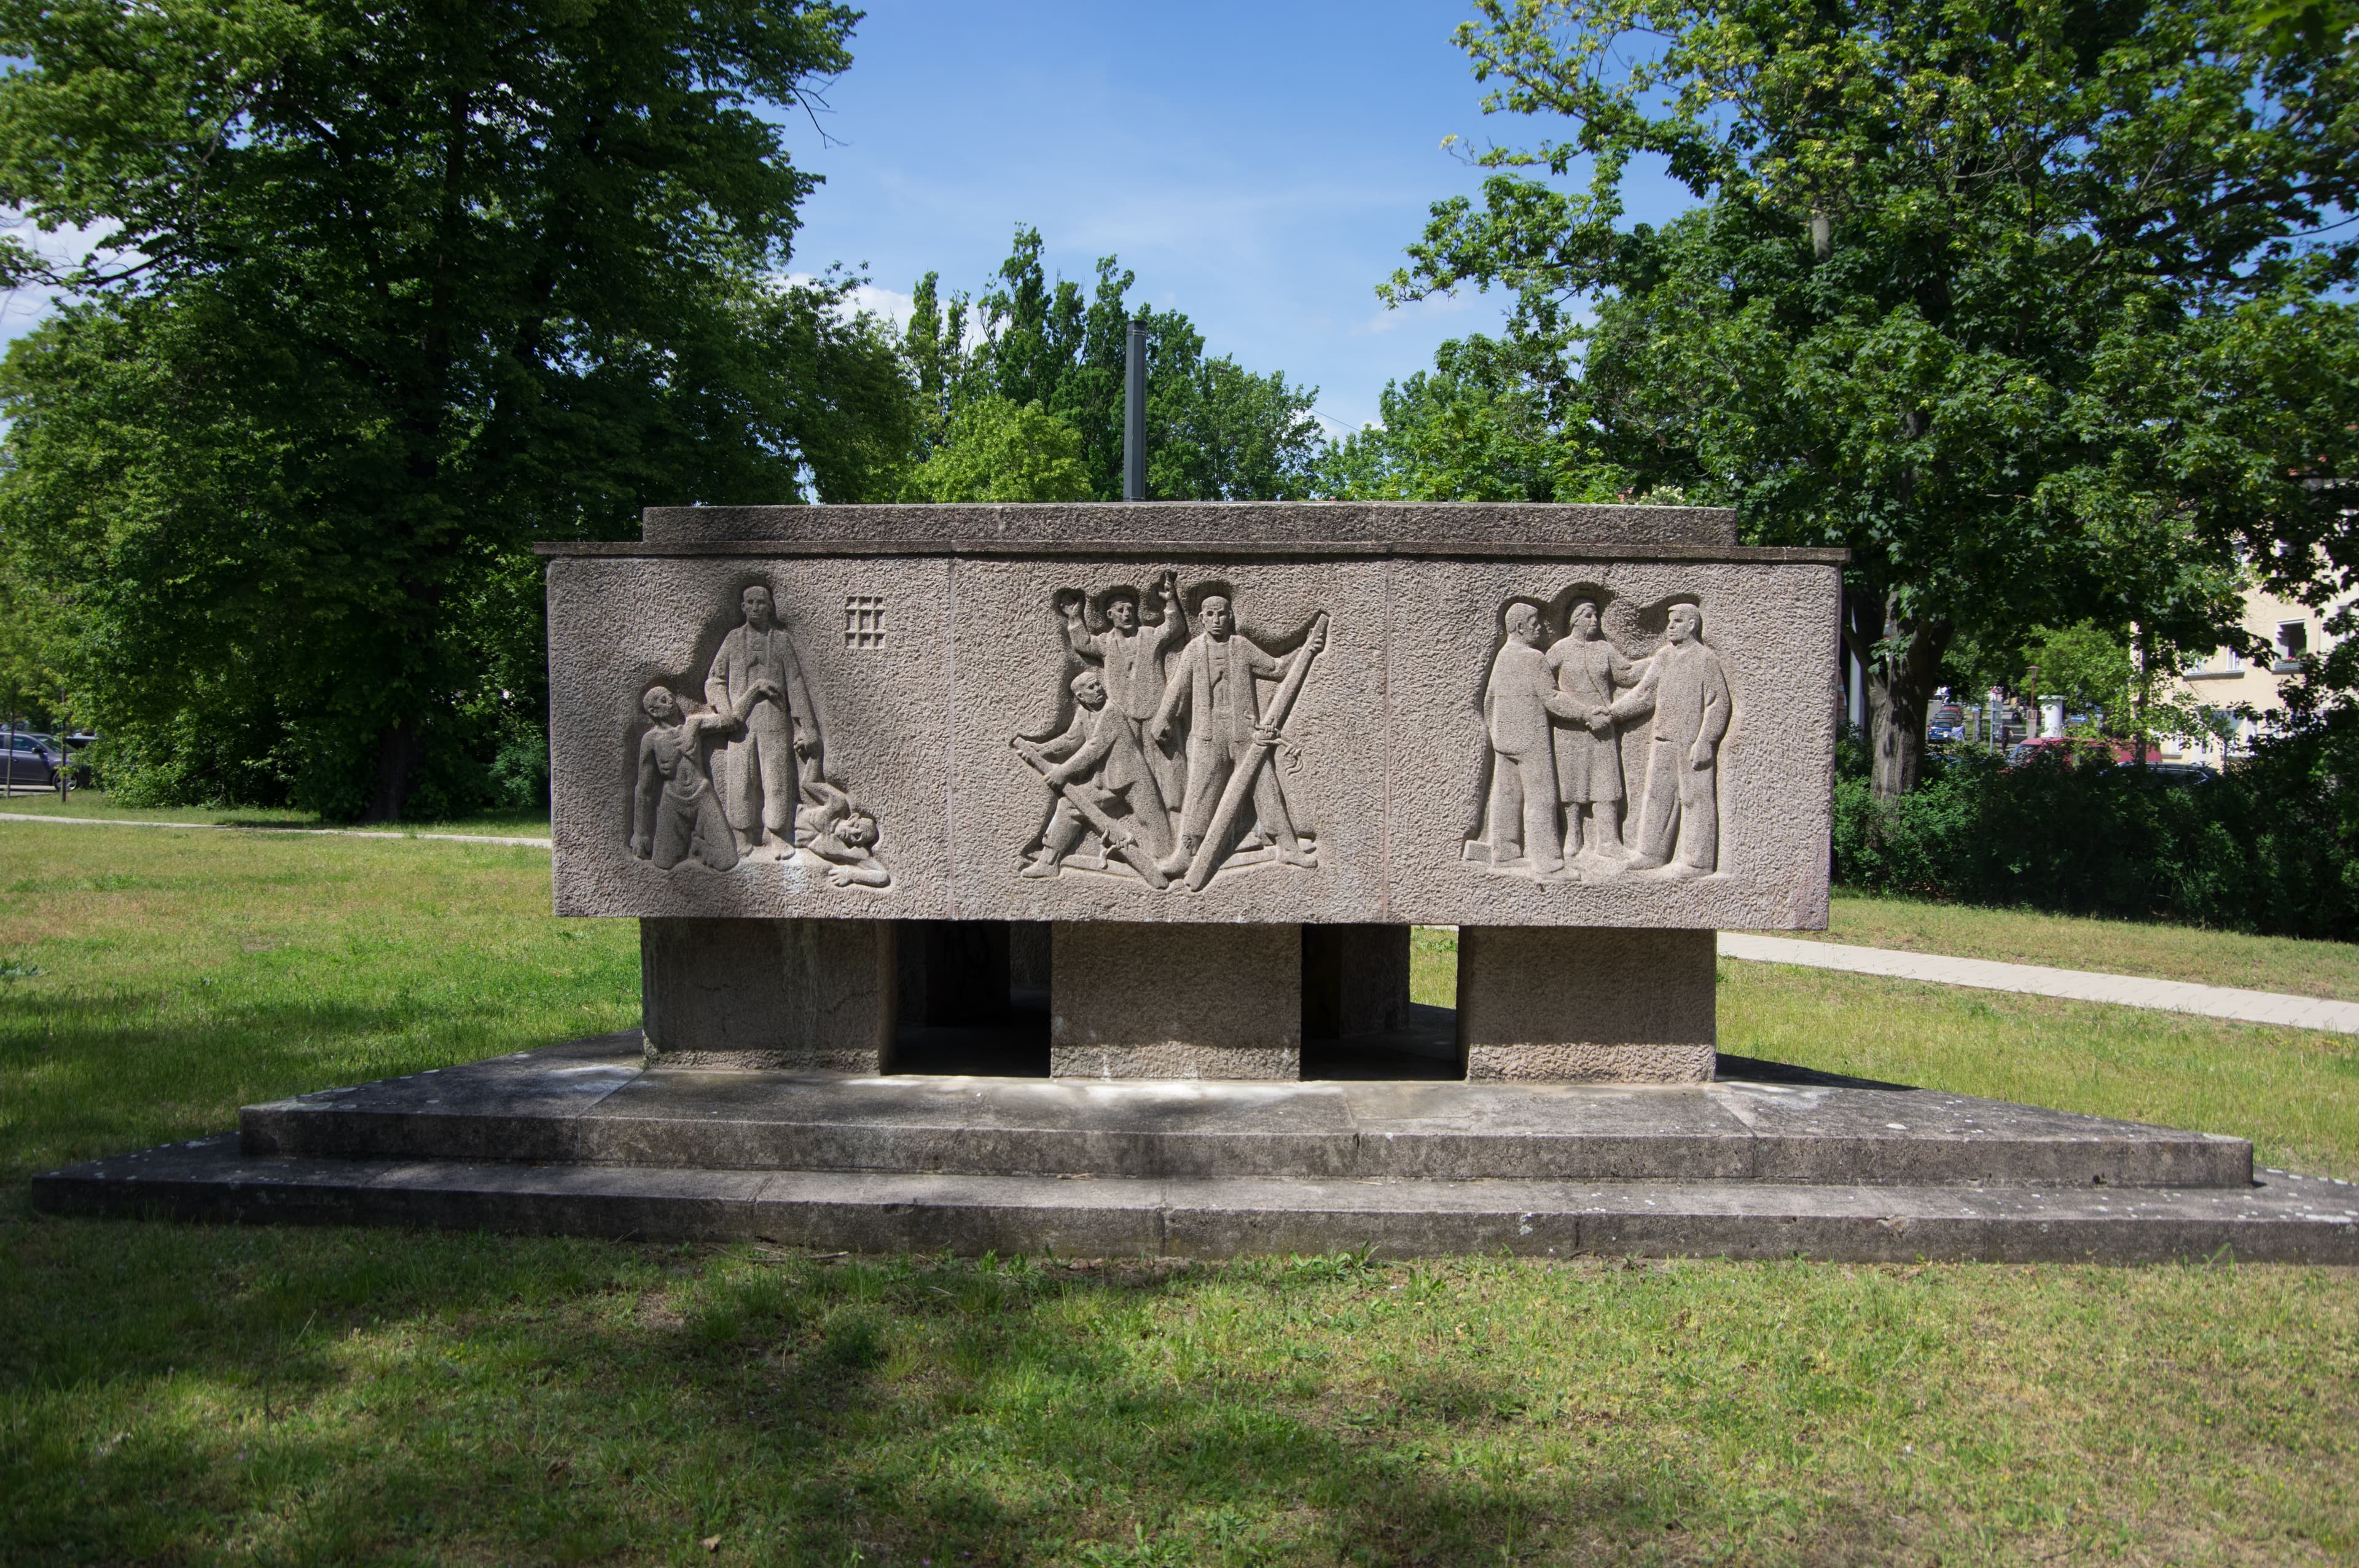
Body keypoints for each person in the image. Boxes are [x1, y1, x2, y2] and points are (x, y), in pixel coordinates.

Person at [1149, 593, 1321, 875]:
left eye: (1222, 613)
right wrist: (1162, 719)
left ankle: (1288, 848)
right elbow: (1178, 686)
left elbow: (1277, 669)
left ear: (1230, 617)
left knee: (1266, 787)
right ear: (1202, 619)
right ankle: (1185, 854)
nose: (1217, 619)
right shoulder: (1194, 650)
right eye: (1210, 614)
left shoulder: (1241, 646)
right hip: (1208, 735)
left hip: (1244, 733)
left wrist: (1306, 649)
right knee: (1199, 795)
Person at [1607, 602, 1731, 876]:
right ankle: (1651, 854)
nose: (1670, 627)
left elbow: (1718, 703)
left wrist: (1706, 740)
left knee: (1695, 798)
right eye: (1669, 621)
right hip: (1664, 740)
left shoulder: (1705, 659)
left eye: (1677, 621)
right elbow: (1644, 694)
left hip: (1692, 743)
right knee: (1658, 797)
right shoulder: (1664, 657)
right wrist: (1612, 713)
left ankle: (1697, 862)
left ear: (1692, 625)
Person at [1018, 668, 1175, 877]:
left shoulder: (1111, 712)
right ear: (1081, 697)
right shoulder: (1083, 713)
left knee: (1153, 821)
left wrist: (1063, 772)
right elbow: (1070, 741)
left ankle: (1168, 866)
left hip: (1132, 778)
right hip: (1106, 782)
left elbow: (1094, 748)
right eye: (1091, 687)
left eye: (1098, 684)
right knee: (1069, 806)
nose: (1099, 689)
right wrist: (1040, 749)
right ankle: (1048, 862)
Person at [703, 583, 820, 857]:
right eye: (751, 602)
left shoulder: (781, 641)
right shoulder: (733, 639)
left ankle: (779, 835)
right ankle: (742, 836)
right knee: (740, 779)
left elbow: (795, 683)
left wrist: (807, 727)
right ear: (743, 607)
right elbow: (714, 680)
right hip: (741, 726)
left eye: (761, 602)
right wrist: (727, 713)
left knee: (777, 779)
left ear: (770, 607)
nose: (756, 607)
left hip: (775, 722)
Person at [1060, 573, 1187, 808]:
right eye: (1120, 611)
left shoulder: (1149, 636)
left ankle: (1175, 806)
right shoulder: (1106, 643)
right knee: (1130, 763)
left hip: (1153, 712)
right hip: (1123, 714)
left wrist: (1170, 601)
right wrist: (1075, 617)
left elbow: (1175, 627)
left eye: (1130, 609)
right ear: (1110, 615)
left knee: (1166, 761)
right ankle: (1136, 805)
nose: (1126, 614)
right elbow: (1082, 643)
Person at [632, 682, 770, 872]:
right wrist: (640, 833)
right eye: (663, 700)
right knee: (663, 863)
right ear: (654, 711)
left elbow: (732, 721)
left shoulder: (693, 725)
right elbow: (644, 789)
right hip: (672, 801)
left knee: (727, 860)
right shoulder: (651, 740)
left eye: (671, 696)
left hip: (701, 795)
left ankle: (698, 845)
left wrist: (753, 690)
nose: (670, 701)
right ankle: (690, 843)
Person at [1543, 599, 1640, 858]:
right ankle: (1572, 836)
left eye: (1596, 615)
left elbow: (1626, 674)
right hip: (1570, 727)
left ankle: (1609, 841)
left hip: (1602, 725)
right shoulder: (1559, 650)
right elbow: (1544, 684)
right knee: (1570, 782)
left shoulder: (1604, 649)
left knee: (1606, 782)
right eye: (1588, 615)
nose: (1594, 620)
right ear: (1574, 620)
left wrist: (1658, 662)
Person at [1479, 601, 1565, 875]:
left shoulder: (1503, 657)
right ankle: (1547, 861)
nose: (1540, 629)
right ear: (1519, 627)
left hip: (1504, 740)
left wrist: (1497, 733)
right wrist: (1587, 714)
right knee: (1541, 798)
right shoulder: (1534, 658)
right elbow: (1553, 699)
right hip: (1531, 741)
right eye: (1534, 623)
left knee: (1506, 796)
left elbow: (1489, 701)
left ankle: (1504, 852)